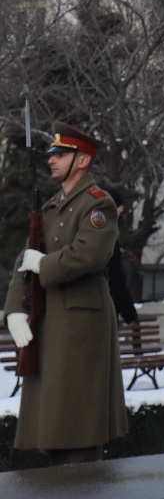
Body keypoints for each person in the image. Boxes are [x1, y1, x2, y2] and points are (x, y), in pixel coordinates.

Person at [2, 122, 127, 463]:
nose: (52, 160)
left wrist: (43, 265)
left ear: (82, 160)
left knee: (78, 421)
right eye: (52, 154)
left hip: (80, 323)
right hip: (50, 320)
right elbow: (24, 261)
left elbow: (87, 255)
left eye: (61, 154)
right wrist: (13, 309)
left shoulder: (97, 204)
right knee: (54, 422)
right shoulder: (52, 206)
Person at [98, 185, 138, 325]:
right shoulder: (107, 235)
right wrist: (129, 313)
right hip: (104, 305)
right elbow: (115, 276)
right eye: (118, 205)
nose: (122, 210)